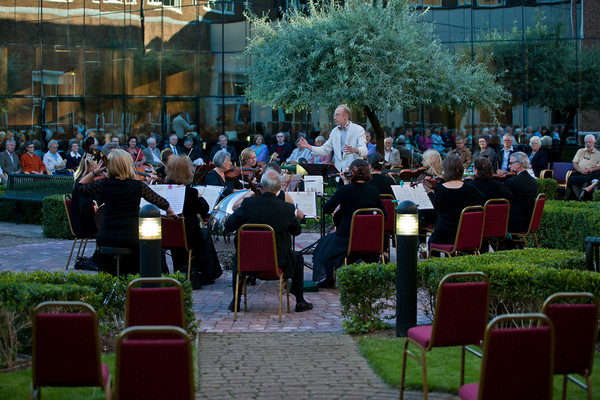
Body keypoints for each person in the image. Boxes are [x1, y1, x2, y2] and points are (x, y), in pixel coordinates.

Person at [224, 169, 313, 313]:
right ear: (279, 188)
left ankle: (236, 300)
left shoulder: (247, 204)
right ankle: (300, 301)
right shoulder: (287, 208)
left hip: (248, 262)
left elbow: (229, 226)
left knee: (237, 258)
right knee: (298, 257)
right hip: (279, 262)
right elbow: (297, 231)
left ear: (261, 186)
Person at [76, 149, 174, 276]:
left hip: (106, 237)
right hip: (131, 237)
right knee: (157, 251)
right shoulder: (137, 185)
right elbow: (160, 201)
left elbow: (79, 187)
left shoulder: (104, 184)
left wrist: (96, 171)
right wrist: (170, 211)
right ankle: (156, 285)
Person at [312, 159, 385, 288]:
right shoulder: (373, 190)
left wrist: (343, 185)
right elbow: (383, 214)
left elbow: (327, 209)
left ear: (351, 173)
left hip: (347, 239)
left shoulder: (345, 190)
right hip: (370, 240)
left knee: (325, 242)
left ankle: (329, 278)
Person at [165, 155, 222, 285]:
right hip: (187, 238)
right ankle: (210, 273)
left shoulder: (164, 190)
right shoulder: (190, 192)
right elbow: (204, 209)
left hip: (167, 236)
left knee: (202, 234)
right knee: (204, 233)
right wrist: (199, 197)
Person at [425, 155, 485, 247]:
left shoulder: (440, 189)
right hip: (465, 233)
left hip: (444, 233)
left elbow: (436, 208)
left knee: (431, 241)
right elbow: (482, 201)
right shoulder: (469, 188)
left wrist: (429, 192)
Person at [298, 105, 367, 174]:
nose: (334, 118)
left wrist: (356, 150)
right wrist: (308, 146)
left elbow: (364, 150)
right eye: (334, 115)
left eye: (337, 115)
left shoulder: (358, 129)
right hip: (339, 173)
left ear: (345, 116)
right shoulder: (334, 132)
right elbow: (324, 150)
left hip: (354, 173)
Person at [503, 152, 537, 234]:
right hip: (529, 220)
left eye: (511, 163)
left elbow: (503, 199)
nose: (509, 166)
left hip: (515, 221)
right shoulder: (533, 180)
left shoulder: (512, 181)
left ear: (519, 164)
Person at [566, 134, 600, 200]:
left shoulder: (598, 154)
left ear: (594, 143)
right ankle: (578, 196)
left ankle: (581, 196)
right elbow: (574, 162)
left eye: (589, 142)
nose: (588, 144)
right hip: (579, 172)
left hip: (590, 173)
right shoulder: (580, 151)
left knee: (586, 180)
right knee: (572, 179)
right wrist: (579, 170)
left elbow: (599, 166)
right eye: (586, 142)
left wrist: (591, 169)